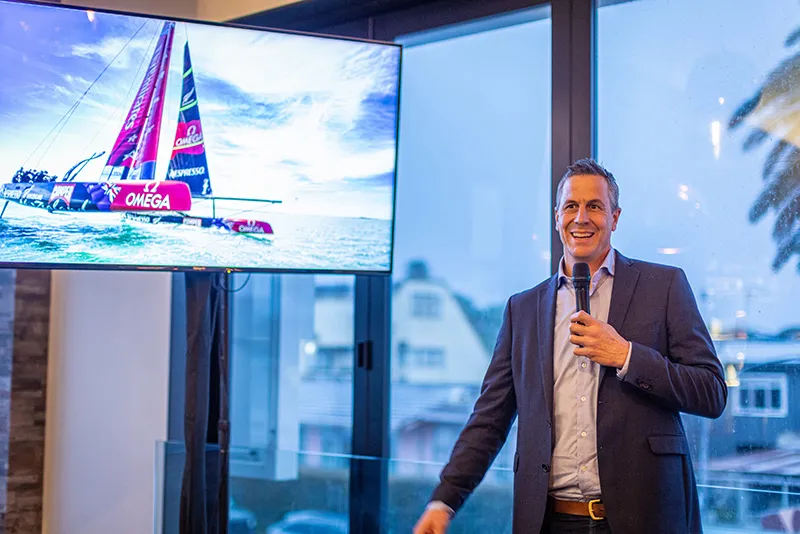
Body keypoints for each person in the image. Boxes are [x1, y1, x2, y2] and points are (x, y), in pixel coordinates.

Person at [412, 159, 727, 534]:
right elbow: (490, 418)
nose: (582, 218)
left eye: (595, 206)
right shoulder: (522, 310)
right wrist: (445, 499)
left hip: (645, 517)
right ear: (556, 216)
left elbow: (711, 392)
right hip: (550, 521)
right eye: (571, 207)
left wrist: (626, 355)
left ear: (615, 217)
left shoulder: (665, 287)